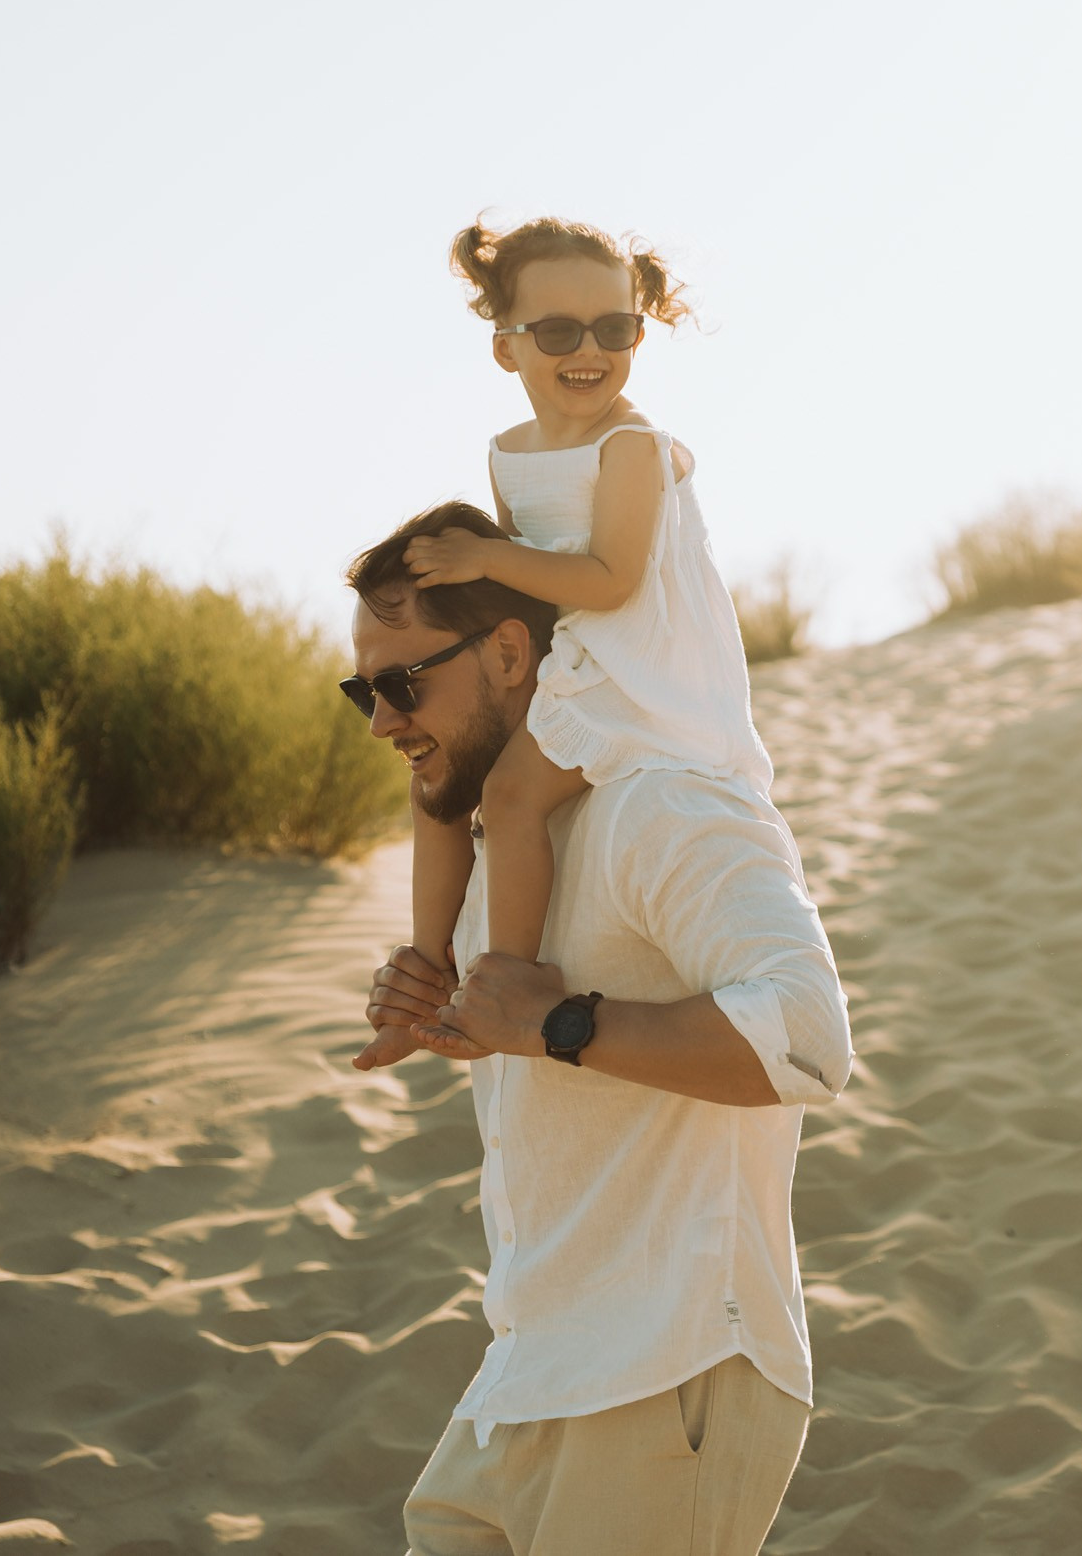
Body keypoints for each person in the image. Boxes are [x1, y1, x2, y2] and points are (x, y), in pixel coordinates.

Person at [339, 502, 850, 1556]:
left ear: (513, 650)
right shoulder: (499, 856)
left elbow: (807, 1036)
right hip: (522, 1382)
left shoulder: (665, 805)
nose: (382, 721)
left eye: (402, 684)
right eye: (363, 692)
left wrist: (561, 1022)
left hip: (670, 1374)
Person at [351, 217, 771, 1072]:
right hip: (570, 657)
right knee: (440, 794)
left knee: (507, 798)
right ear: (507, 347)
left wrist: (484, 555)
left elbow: (614, 579)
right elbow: (525, 591)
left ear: (637, 333)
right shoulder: (510, 453)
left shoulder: (632, 447)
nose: (589, 350)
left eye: (614, 329)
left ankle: (504, 983)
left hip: (639, 666)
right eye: (555, 331)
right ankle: (427, 973)